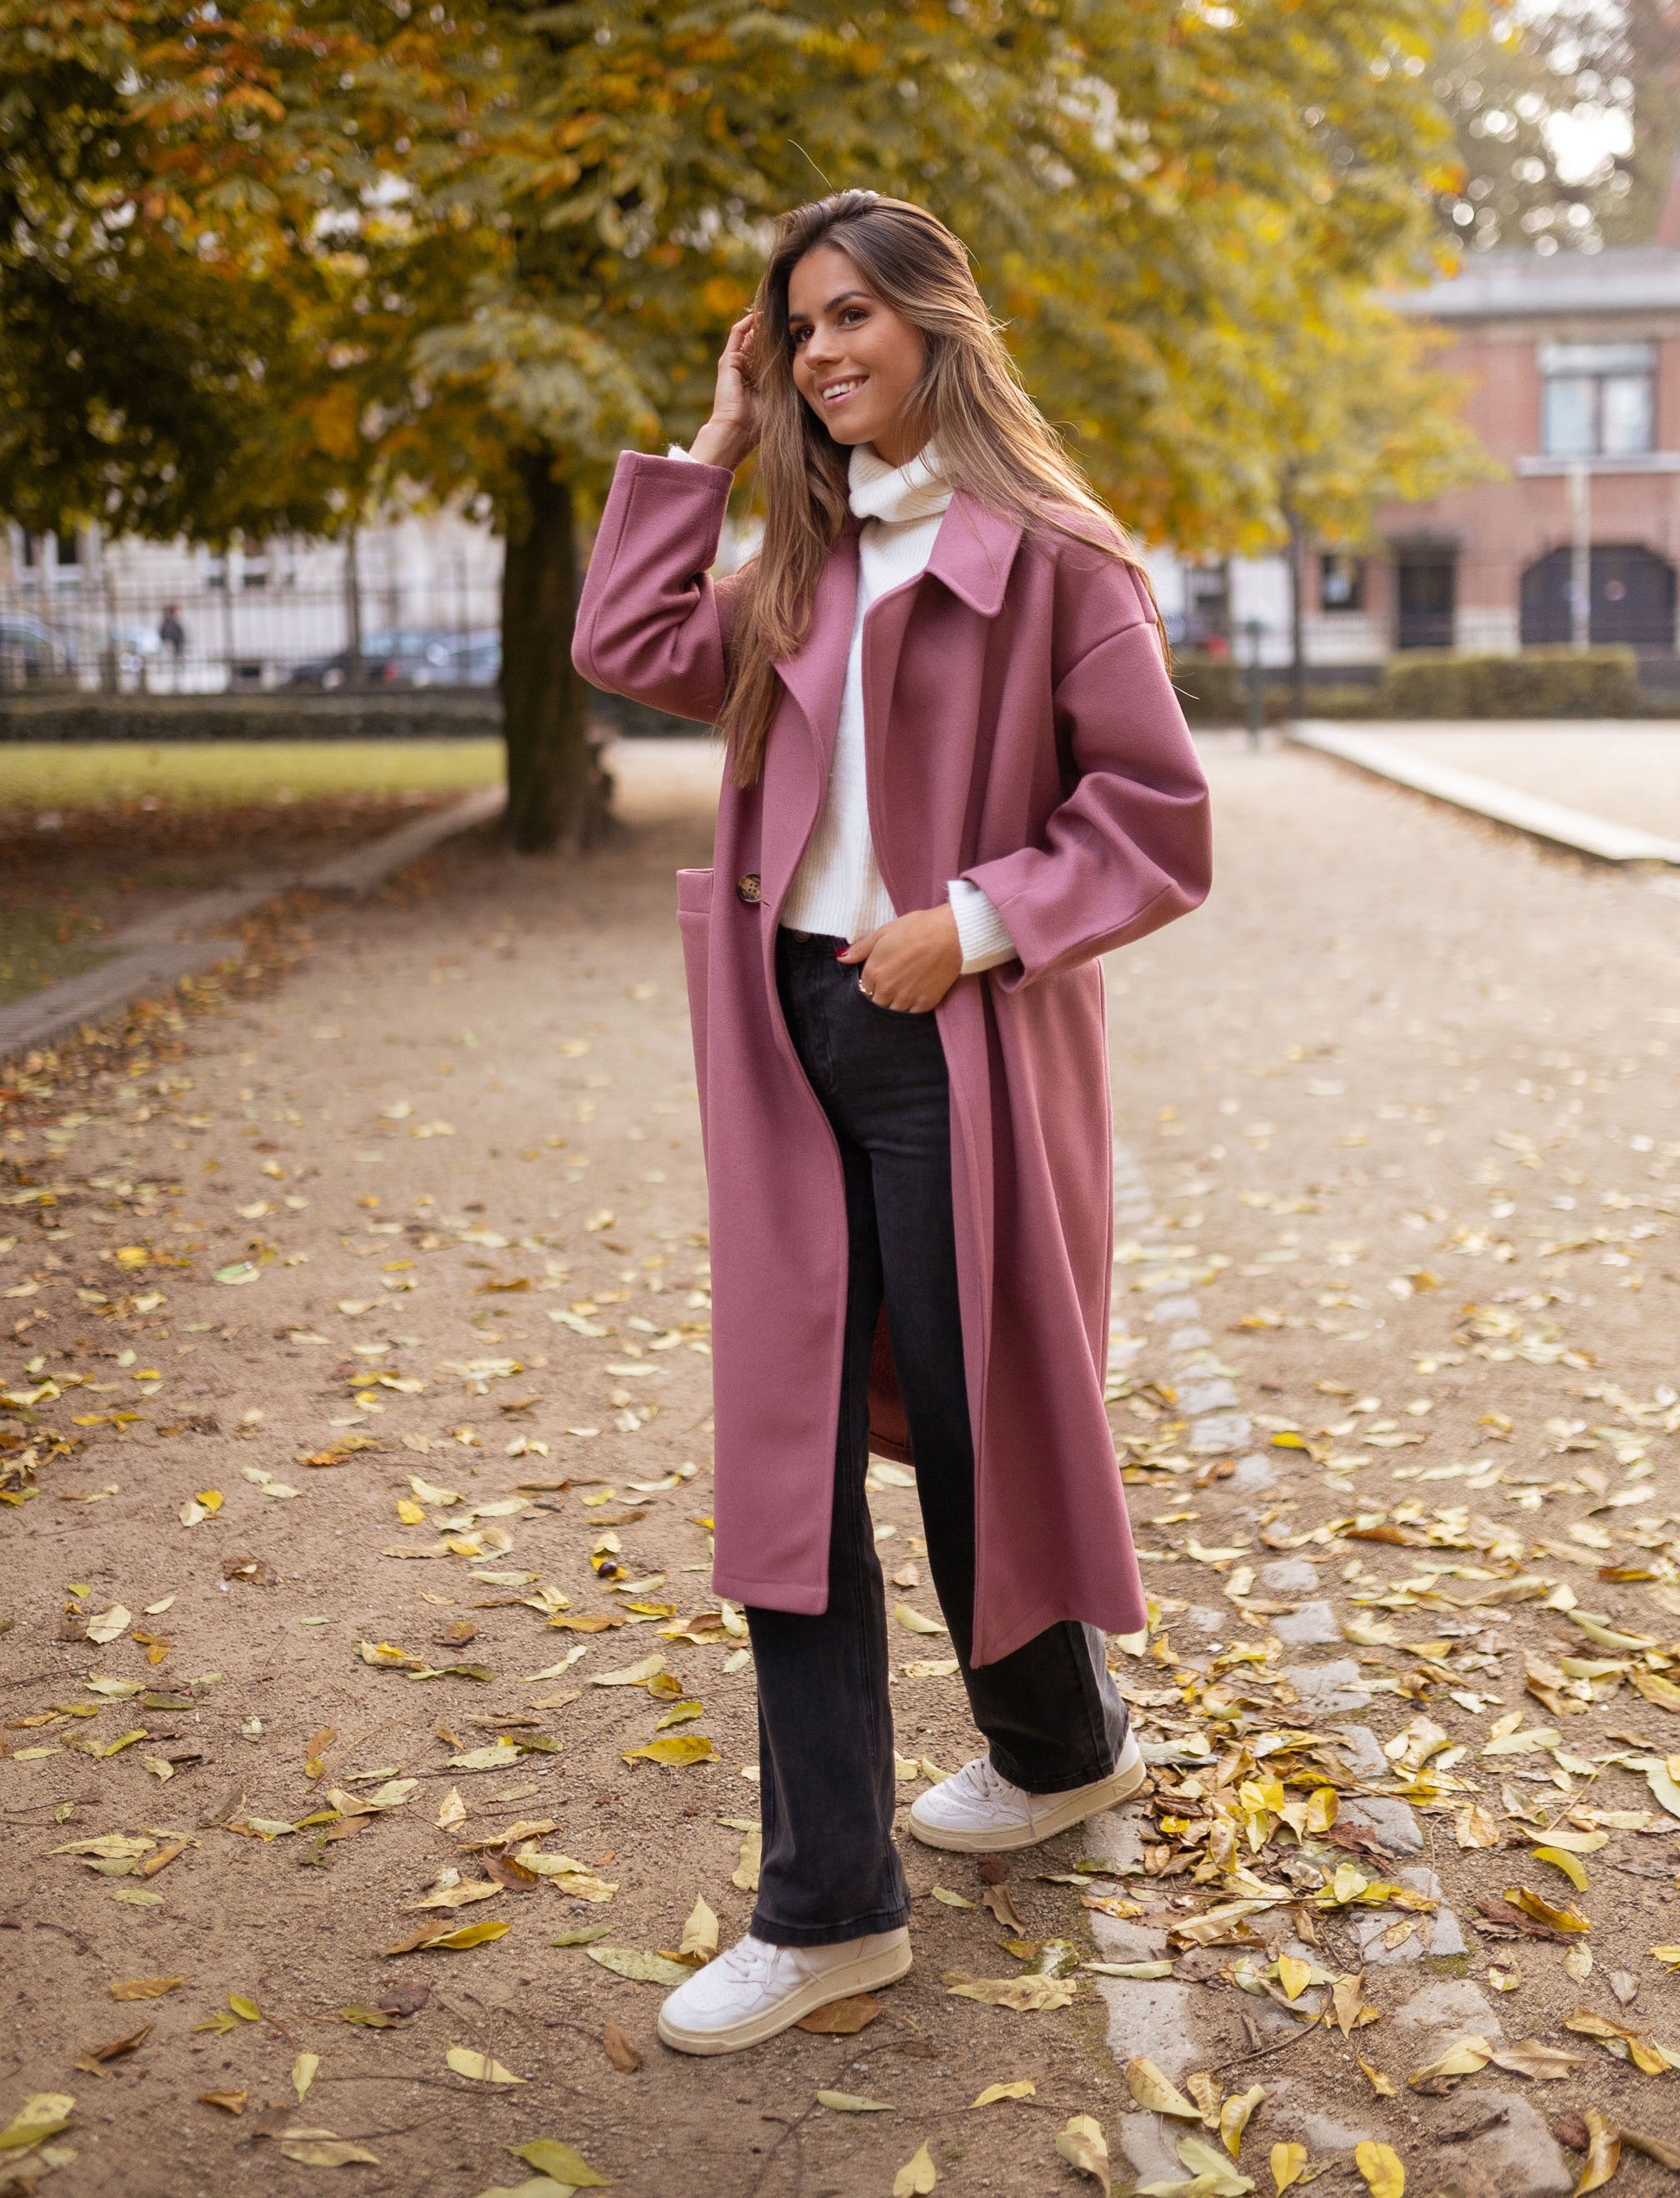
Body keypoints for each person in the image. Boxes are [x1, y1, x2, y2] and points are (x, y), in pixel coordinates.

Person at [573, 191, 1212, 2056]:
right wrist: (710, 433)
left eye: (855, 316)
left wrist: (982, 921)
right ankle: (828, 1903)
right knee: (791, 1458)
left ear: (939, 321)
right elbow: (628, 638)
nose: (827, 351)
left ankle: (1056, 1742)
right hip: (783, 1031)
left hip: (959, 1040)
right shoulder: (797, 553)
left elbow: (1159, 819)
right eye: (800, 326)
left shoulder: (1065, 564)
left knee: (972, 1424)